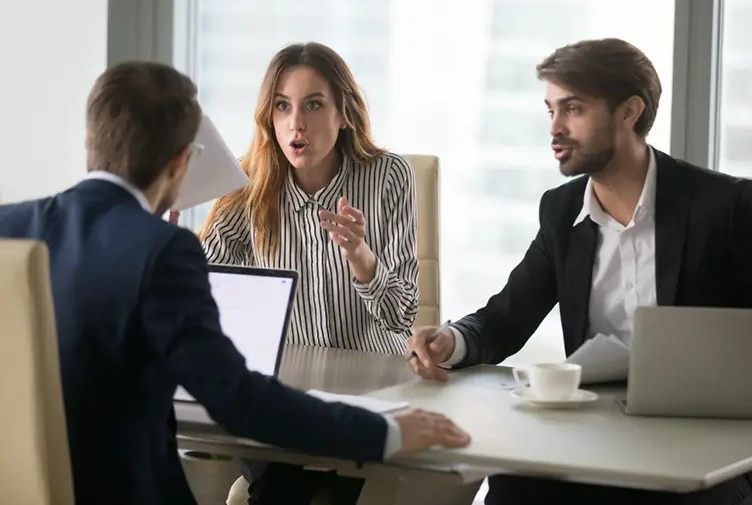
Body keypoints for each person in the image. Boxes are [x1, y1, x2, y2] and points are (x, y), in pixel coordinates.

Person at [0, 60, 470, 505]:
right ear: (182, 161)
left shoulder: (9, 227)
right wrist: (384, 431)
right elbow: (238, 400)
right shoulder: (164, 248)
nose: (295, 123)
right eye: (282, 106)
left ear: (90, 139)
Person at [406, 38, 752, 505]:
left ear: (629, 111)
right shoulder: (562, 212)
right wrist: (454, 338)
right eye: (550, 110)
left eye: (572, 109)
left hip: (713, 446)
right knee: (512, 488)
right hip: (599, 435)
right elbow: (506, 317)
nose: (555, 128)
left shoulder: (725, 207)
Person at [174, 42, 421, 505]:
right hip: (281, 392)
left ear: (343, 113)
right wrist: (171, 240)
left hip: (371, 388)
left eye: (313, 105)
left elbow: (401, 316)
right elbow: (202, 292)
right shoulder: (246, 183)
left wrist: (361, 255)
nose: (296, 123)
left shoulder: (390, 176)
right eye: (283, 107)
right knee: (285, 482)